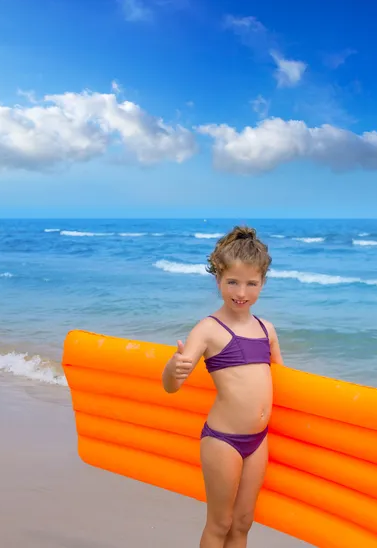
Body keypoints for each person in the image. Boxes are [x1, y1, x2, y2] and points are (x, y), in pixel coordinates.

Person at [161, 225, 283, 548]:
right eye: (232, 282)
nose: (241, 292)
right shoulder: (208, 329)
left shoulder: (266, 330)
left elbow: (281, 381)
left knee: (243, 523)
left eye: (251, 283)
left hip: (258, 440)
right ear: (218, 280)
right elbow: (171, 386)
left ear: (262, 283)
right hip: (223, 441)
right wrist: (175, 367)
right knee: (221, 522)